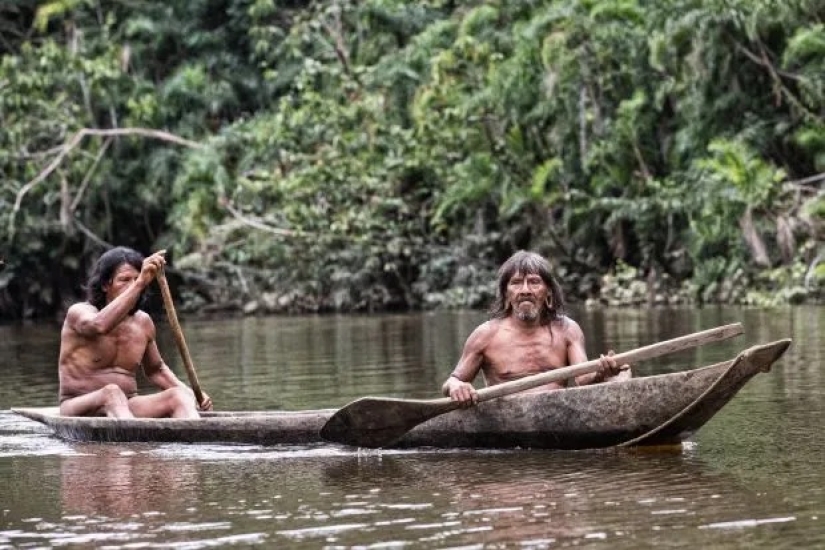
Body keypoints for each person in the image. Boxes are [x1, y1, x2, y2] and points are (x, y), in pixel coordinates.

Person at [442, 250, 630, 406]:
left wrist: (602, 372)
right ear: (506, 294)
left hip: (558, 414)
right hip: (505, 420)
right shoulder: (485, 335)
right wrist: (457, 387)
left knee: (621, 376)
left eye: (534, 282)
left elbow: (583, 379)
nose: (525, 290)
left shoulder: (567, 330)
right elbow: (451, 381)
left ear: (548, 291)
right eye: (516, 283)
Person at [58, 247, 212, 418]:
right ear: (104, 285)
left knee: (179, 396)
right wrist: (140, 282)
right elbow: (99, 325)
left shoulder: (143, 322)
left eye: (136, 279)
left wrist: (192, 395)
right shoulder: (79, 313)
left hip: (127, 405)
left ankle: (194, 441)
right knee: (111, 393)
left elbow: (156, 369)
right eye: (124, 280)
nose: (132, 286)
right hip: (78, 405)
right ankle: (132, 443)